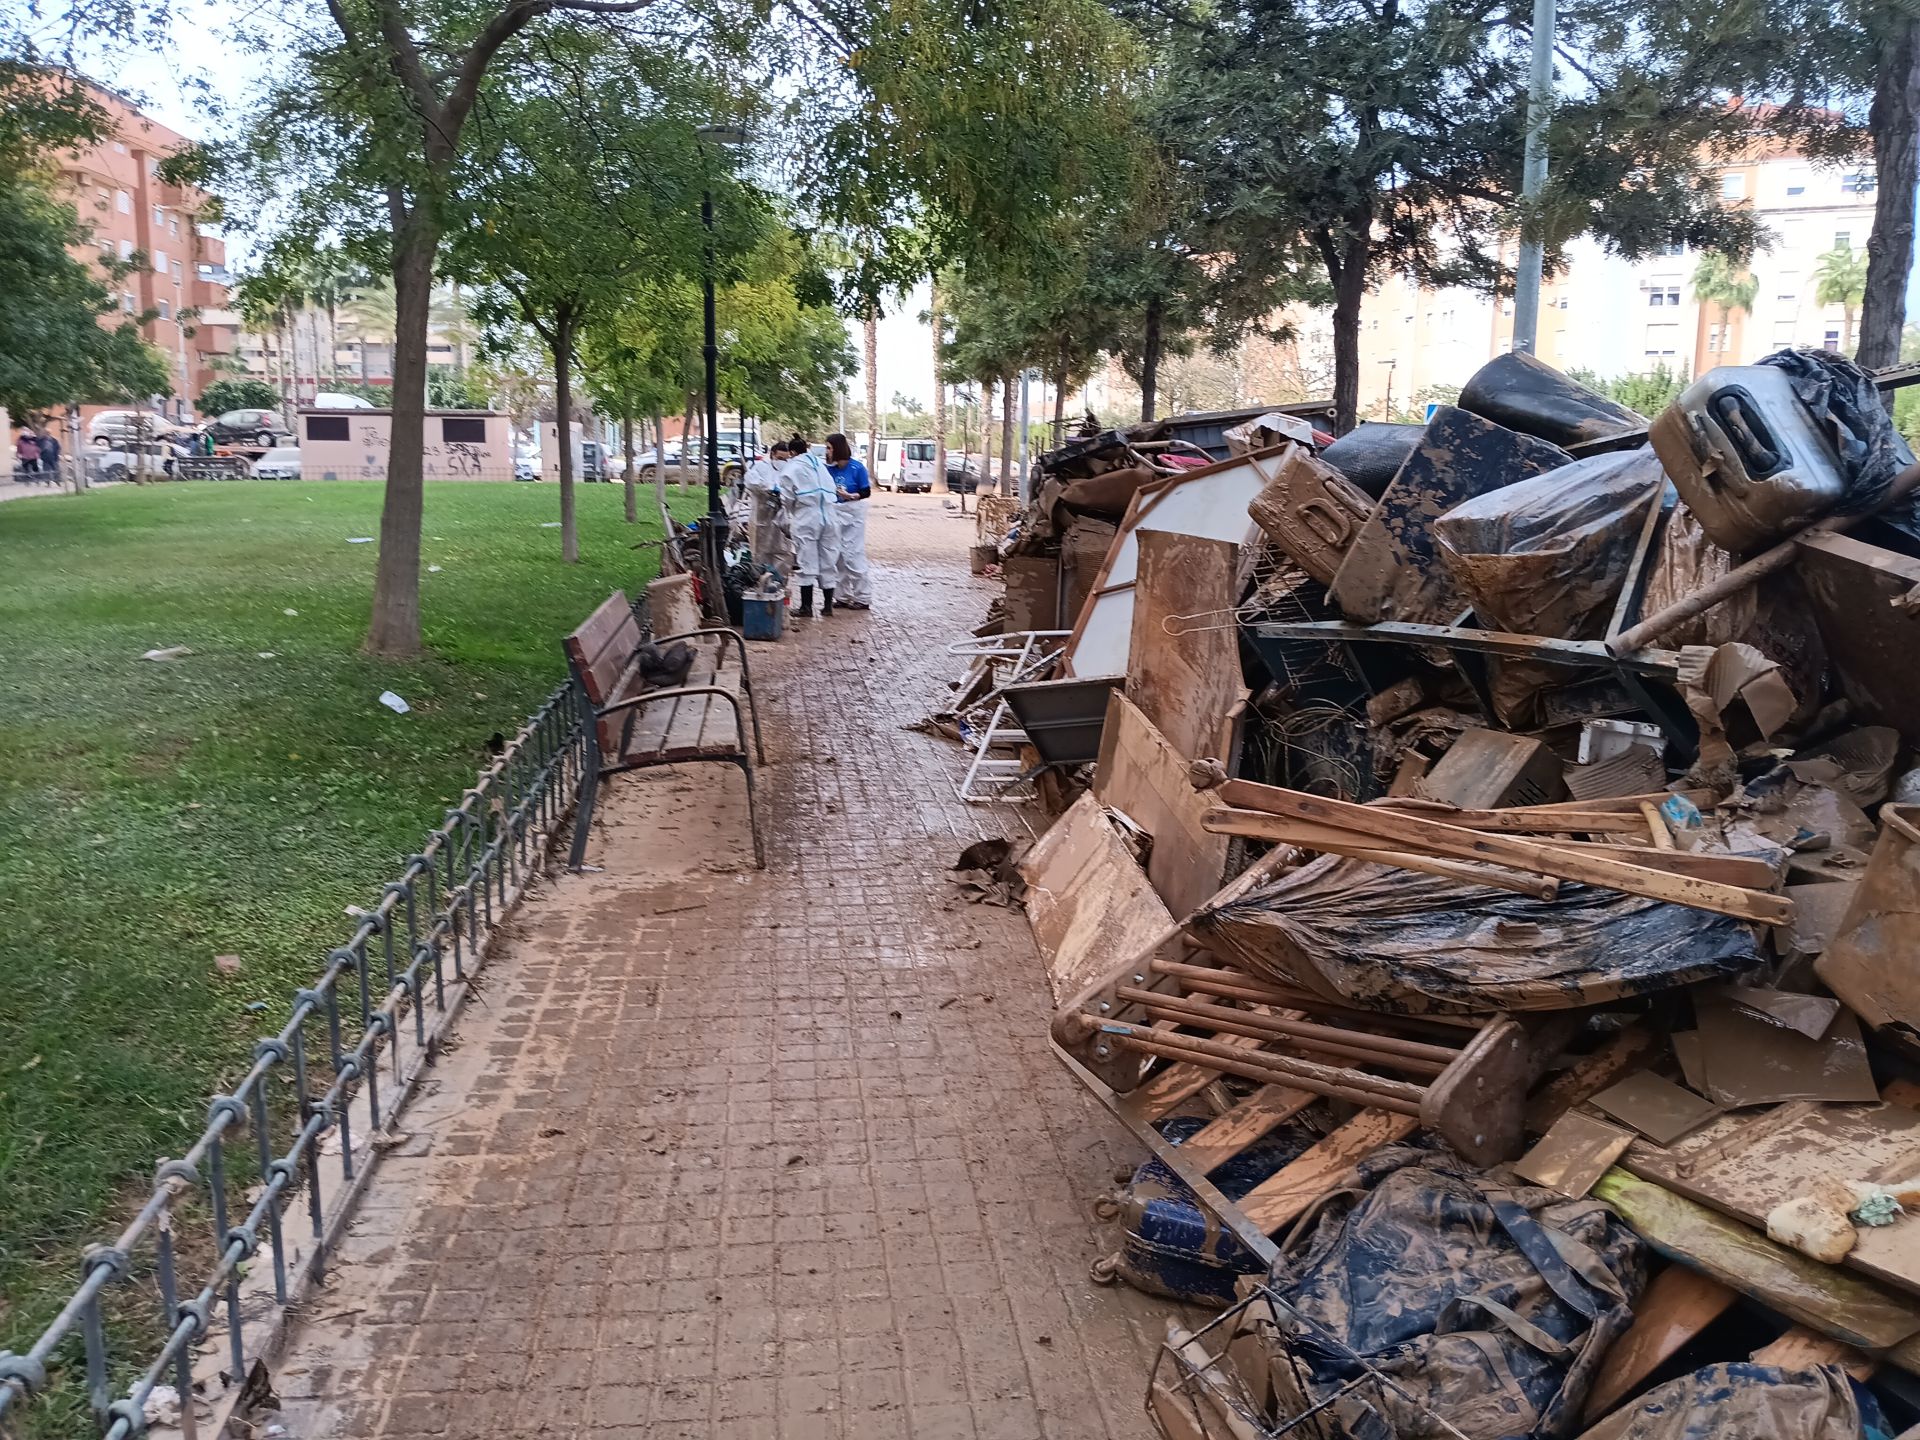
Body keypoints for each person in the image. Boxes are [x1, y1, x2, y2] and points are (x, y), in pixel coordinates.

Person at [782, 434, 841, 617]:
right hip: (830, 516)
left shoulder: (792, 467)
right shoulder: (820, 465)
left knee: (806, 560)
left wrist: (790, 513)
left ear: (792, 452)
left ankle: (806, 607)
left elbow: (786, 498)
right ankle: (827, 606)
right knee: (828, 559)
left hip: (807, 516)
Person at [824, 432, 873, 611]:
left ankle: (863, 596)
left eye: (829, 448)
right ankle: (842, 596)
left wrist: (851, 496)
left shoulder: (857, 468)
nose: (827, 452)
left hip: (853, 514)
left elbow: (866, 491)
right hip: (836, 513)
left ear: (837, 448)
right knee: (837, 556)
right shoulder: (829, 470)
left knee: (853, 553)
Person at [743, 439, 793, 574]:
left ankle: (779, 582)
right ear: (772, 454)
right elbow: (750, 481)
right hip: (761, 518)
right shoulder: (761, 467)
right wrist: (769, 488)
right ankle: (761, 580)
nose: (782, 461)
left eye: (785, 459)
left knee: (783, 552)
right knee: (760, 552)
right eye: (779, 458)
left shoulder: (790, 469)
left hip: (781, 521)